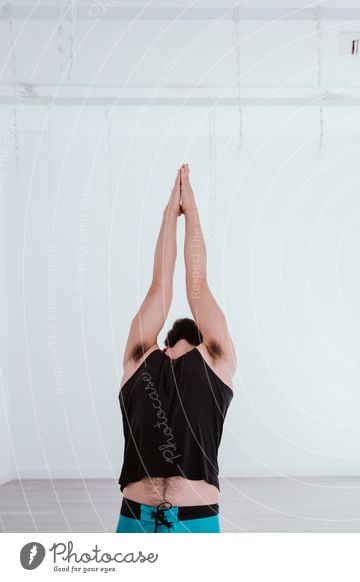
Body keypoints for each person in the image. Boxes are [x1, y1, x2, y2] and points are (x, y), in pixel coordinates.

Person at [116, 164, 236, 533]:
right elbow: (161, 285)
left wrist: (192, 212)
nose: (172, 354)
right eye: (171, 349)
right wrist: (170, 212)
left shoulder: (215, 361)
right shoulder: (140, 359)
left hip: (196, 520)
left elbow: (195, 283)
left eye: (181, 350)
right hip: (135, 517)